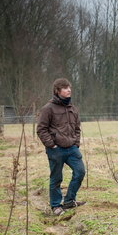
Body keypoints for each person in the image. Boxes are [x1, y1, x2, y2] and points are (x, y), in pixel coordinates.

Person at [37, 78, 86, 216]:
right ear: (57, 91)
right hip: (55, 150)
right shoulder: (48, 108)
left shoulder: (73, 108)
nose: (69, 90)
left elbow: (77, 128)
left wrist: (76, 143)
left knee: (80, 172)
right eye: (65, 88)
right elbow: (41, 129)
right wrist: (51, 145)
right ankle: (56, 206)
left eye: (69, 87)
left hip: (72, 149)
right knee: (56, 178)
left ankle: (69, 200)